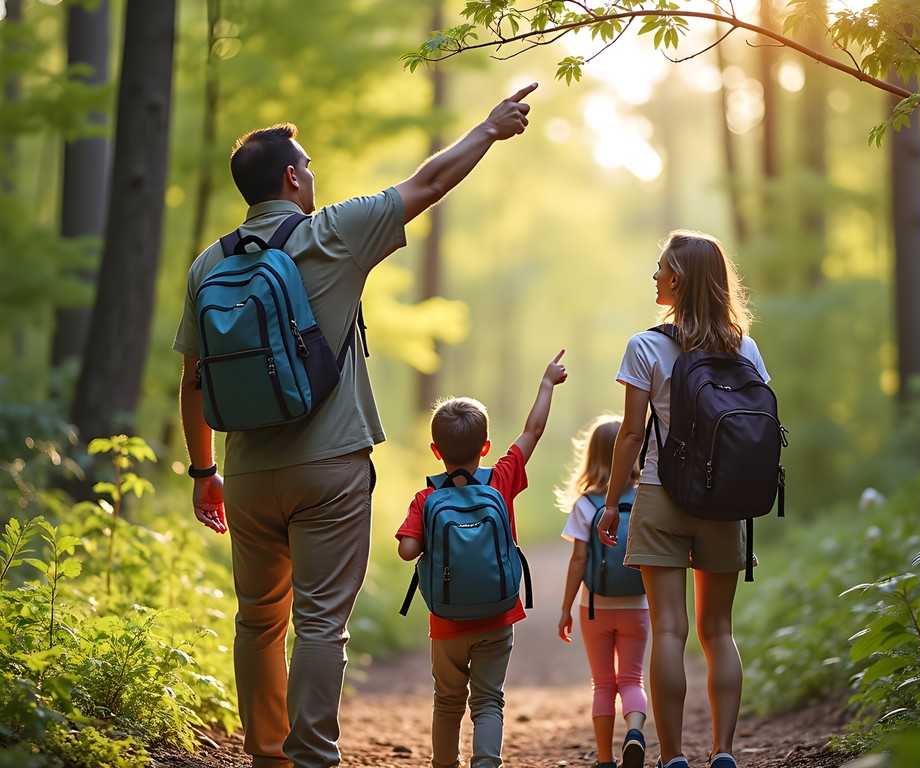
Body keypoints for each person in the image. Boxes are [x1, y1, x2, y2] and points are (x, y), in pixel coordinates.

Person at [173, 83, 539, 768]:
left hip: (247, 472)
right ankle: (313, 756)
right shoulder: (332, 232)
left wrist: (204, 473)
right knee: (318, 624)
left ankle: (267, 756)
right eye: (306, 165)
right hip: (330, 468)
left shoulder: (208, 265)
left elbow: (192, 381)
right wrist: (488, 129)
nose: (313, 174)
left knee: (258, 621)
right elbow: (429, 181)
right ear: (290, 177)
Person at [597, 231, 770, 768]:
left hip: (661, 494)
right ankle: (723, 751)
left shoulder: (645, 345)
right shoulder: (744, 347)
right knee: (719, 631)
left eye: (660, 268)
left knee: (669, 628)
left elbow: (629, 434)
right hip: (726, 502)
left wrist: (609, 503)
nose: (654, 277)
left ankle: (672, 755)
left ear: (680, 279)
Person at [395, 351, 568, 768]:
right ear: (486, 447)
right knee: (489, 700)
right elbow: (534, 431)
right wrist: (546, 383)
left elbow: (406, 551)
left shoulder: (427, 499)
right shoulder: (501, 478)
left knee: (447, 700)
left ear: (436, 451)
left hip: (447, 622)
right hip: (498, 614)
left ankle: (444, 763)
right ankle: (486, 762)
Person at [556, 415, 649, 768]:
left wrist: (565, 608)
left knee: (603, 684)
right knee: (632, 678)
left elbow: (579, 561)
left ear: (591, 455)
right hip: (638, 605)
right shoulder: (644, 498)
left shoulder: (586, 504)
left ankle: (605, 758)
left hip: (594, 607)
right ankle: (635, 733)